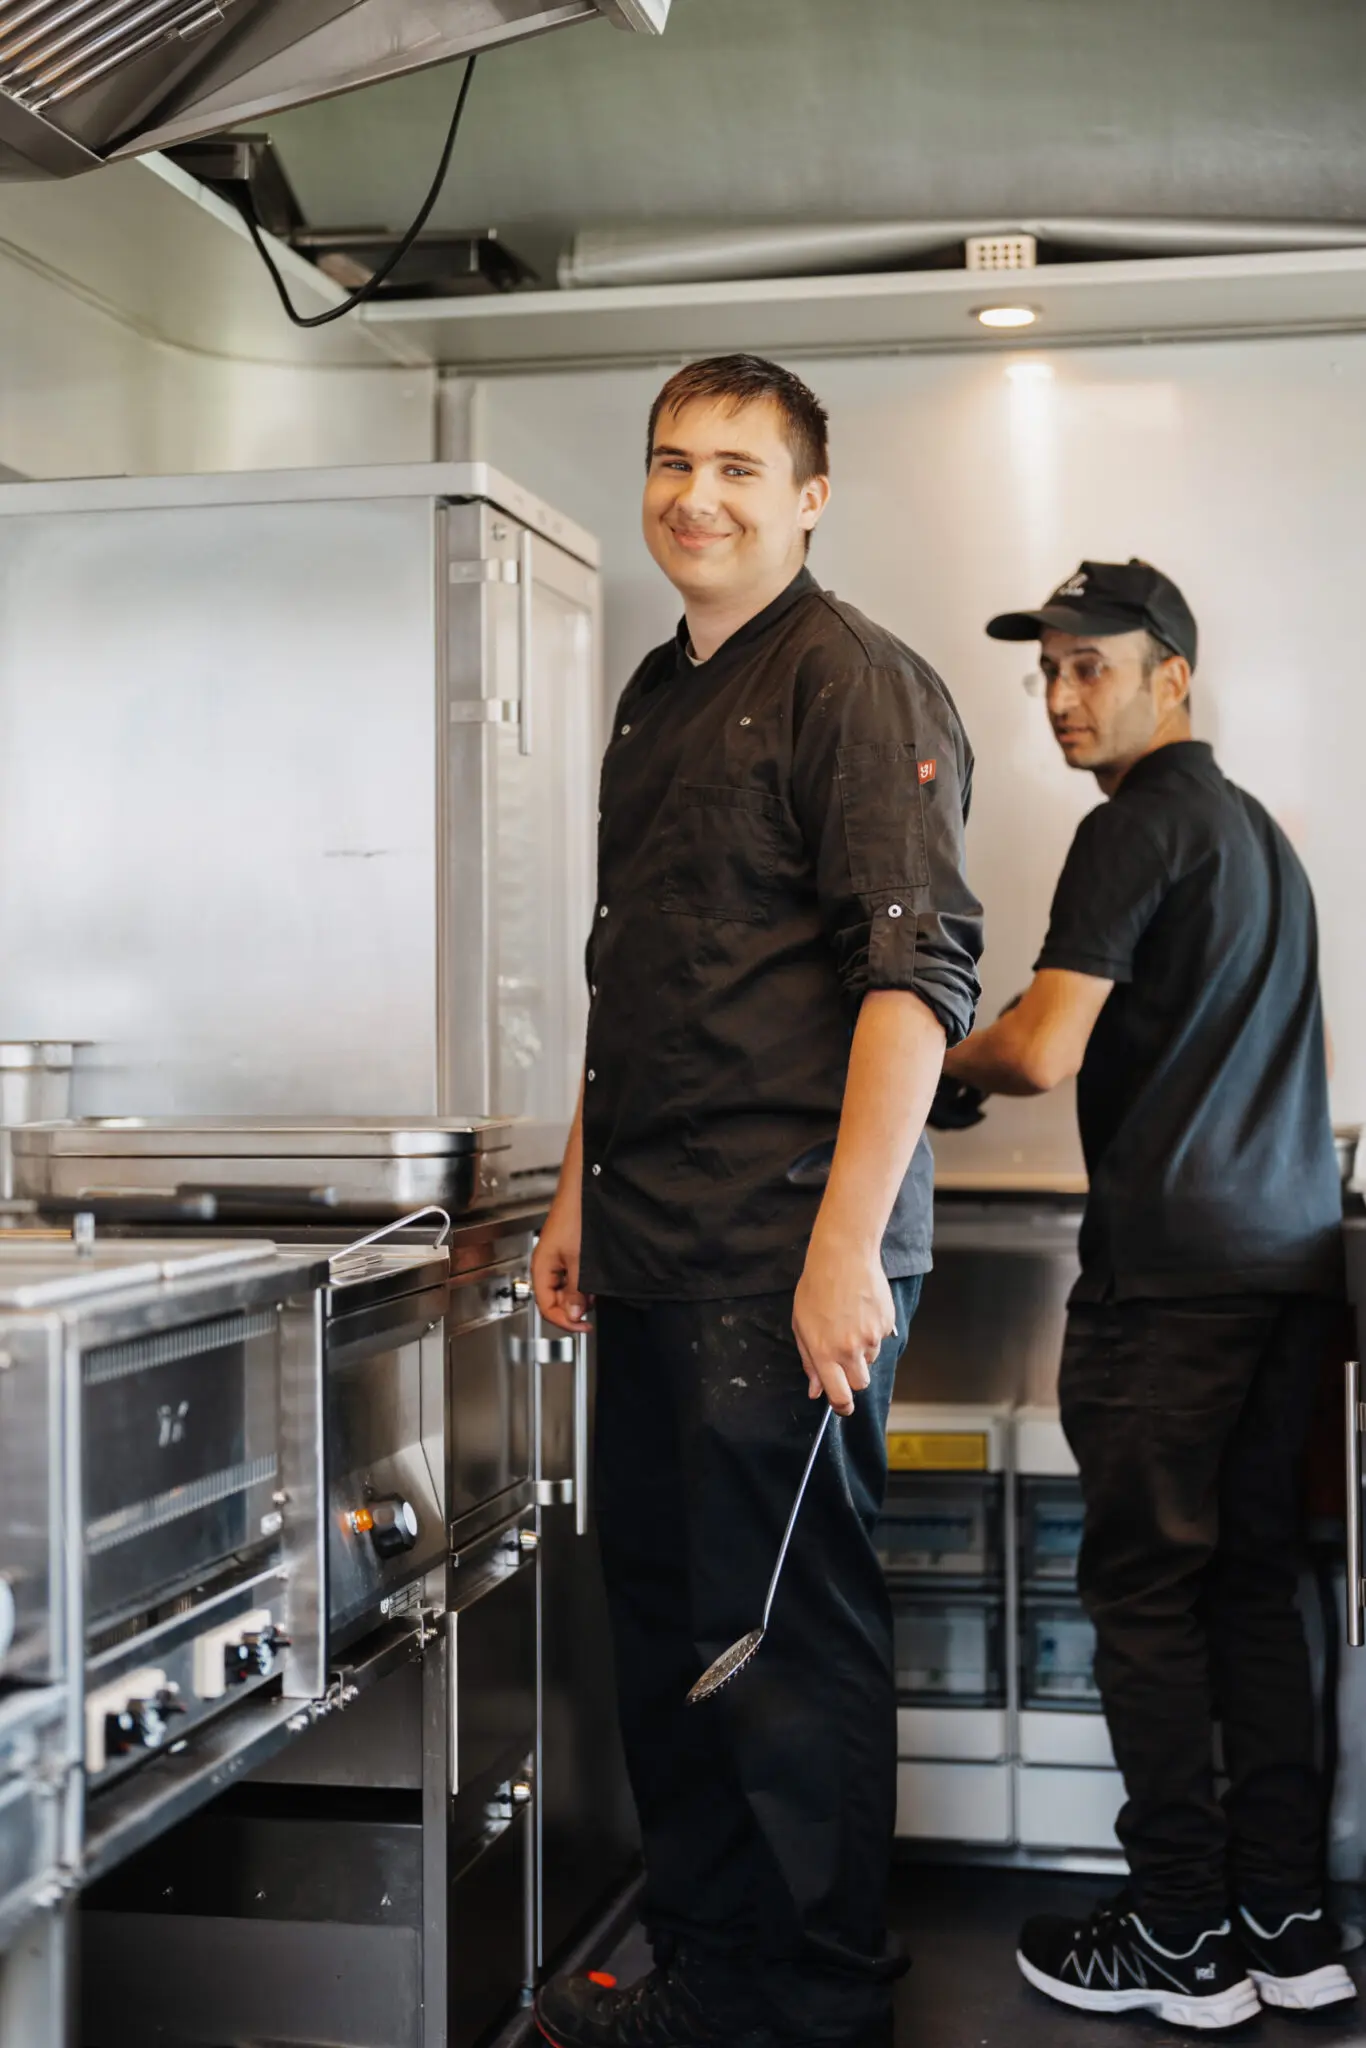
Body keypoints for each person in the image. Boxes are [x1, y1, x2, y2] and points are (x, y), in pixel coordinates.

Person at [530, 354, 983, 2048]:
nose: (693, 497)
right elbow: (637, 983)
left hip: (784, 1250)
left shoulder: (852, 681)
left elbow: (912, 982)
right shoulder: (657, 692)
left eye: (735, 467)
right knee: (666, 1633)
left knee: (780, 1648)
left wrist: (843, 1251)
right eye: (671, 462)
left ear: (807, 498)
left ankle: (813, 2005)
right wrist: (575, 1197)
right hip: (652, 1243)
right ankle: (712, 1977)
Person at [941, 558, 1351, 2030]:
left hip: (1169, 1286)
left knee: (1143, 1598)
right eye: (1046, 671)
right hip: (1288, 1269)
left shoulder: (1130, 827)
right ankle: (1284, 1923)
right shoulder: (1254, 839)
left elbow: (1044, 1045)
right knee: (1252, 1586)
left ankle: (1179, 1932)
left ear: (1170, 675)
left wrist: (929, 1070)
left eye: (1090, 668)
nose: (1061, 698)